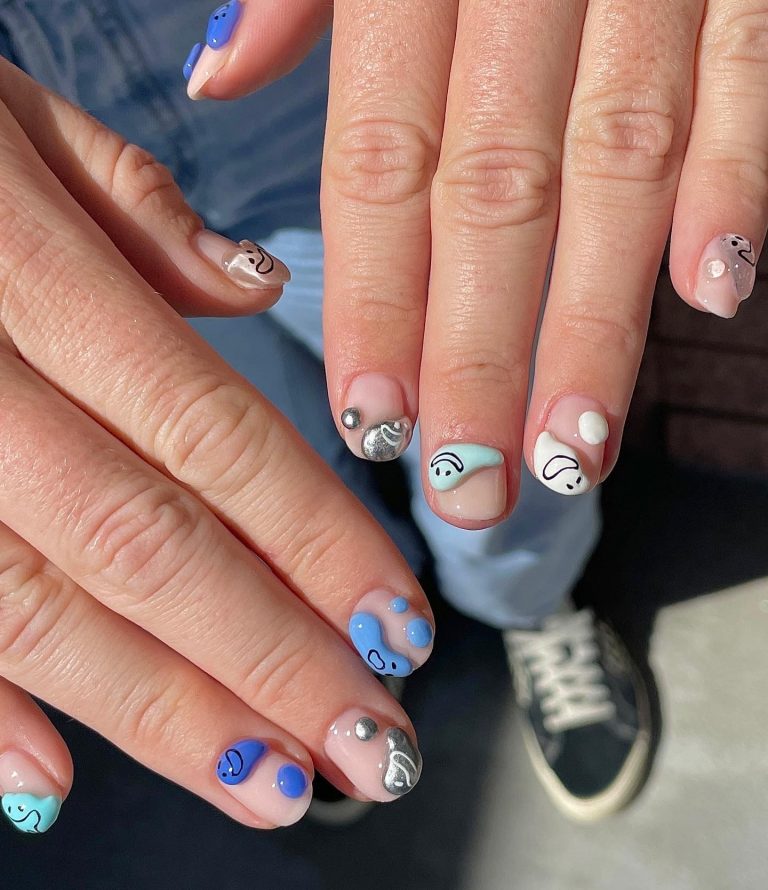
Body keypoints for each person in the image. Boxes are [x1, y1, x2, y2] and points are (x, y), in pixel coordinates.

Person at [0, 0, 761, 835]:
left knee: (483, 402)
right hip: (46, 154)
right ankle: (351, 623)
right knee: (246, 452)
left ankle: (530, 603)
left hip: (318, 69)